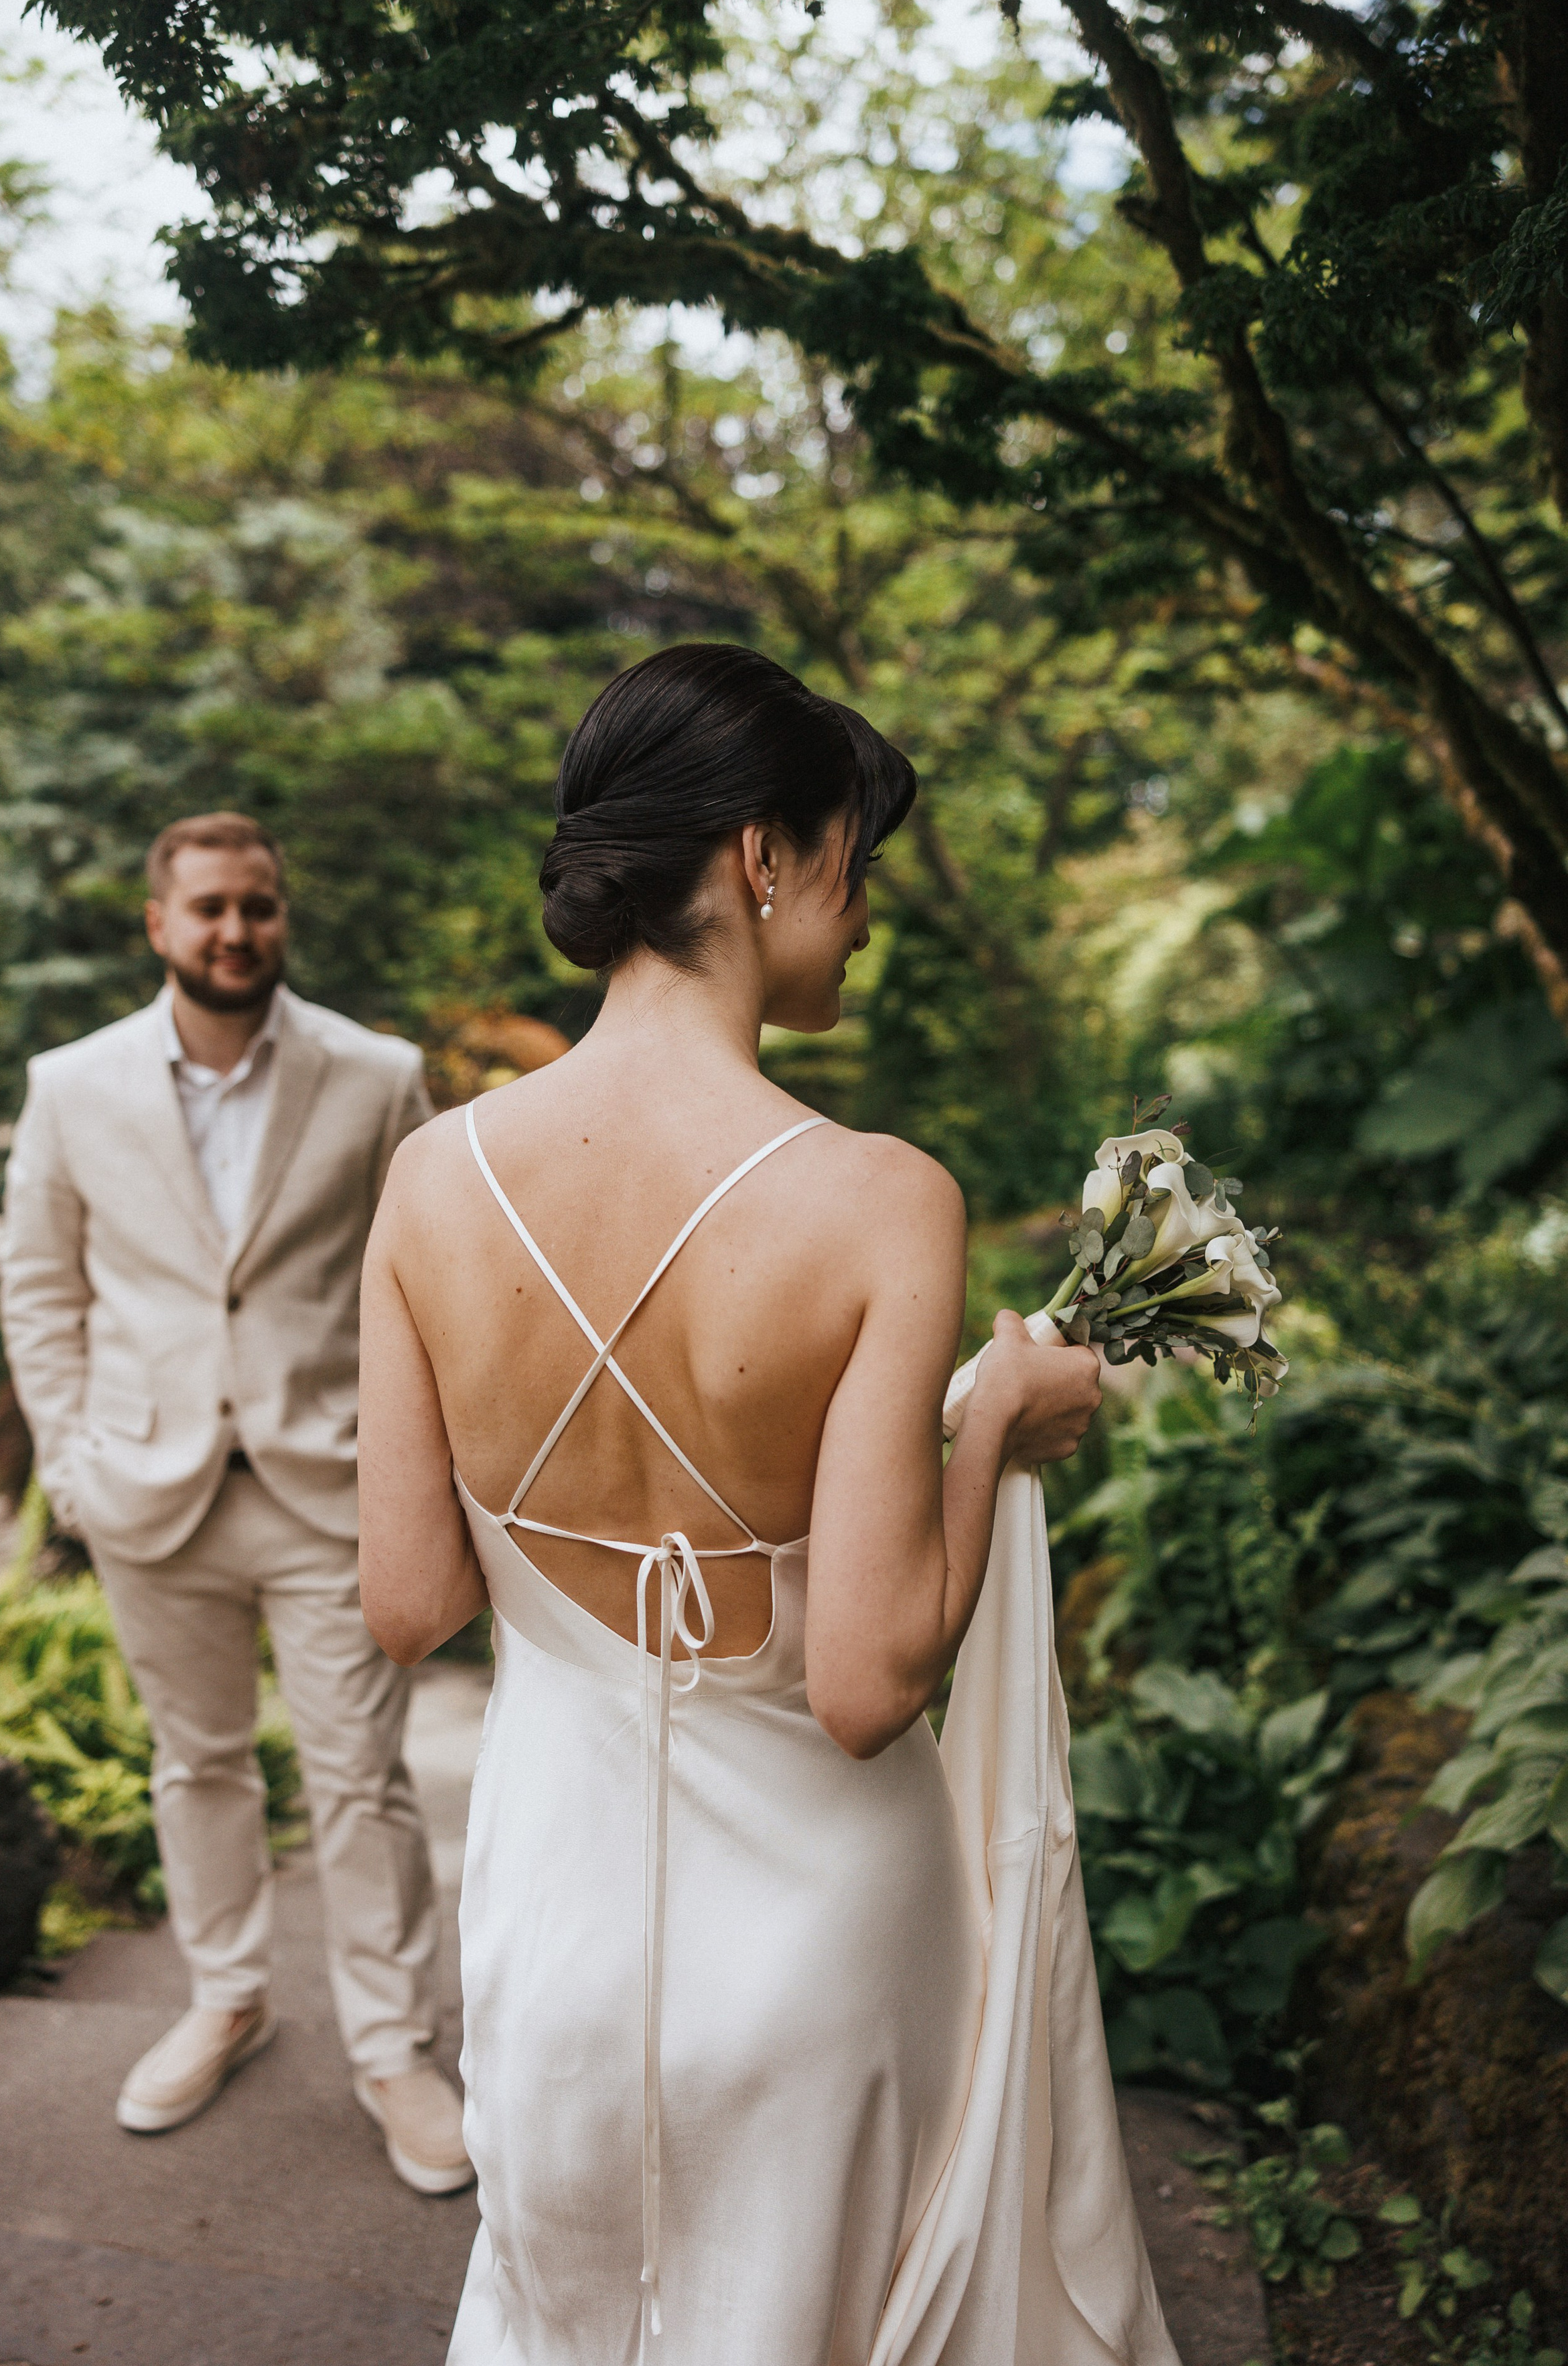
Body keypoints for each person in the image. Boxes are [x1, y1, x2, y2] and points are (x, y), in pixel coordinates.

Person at [359, 647, 1182, 2362]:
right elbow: (867, 1687)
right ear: (758, 857)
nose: (864, 909)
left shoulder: (431, 1177)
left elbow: (407, 1601)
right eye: (851, 860)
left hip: (550, 1918)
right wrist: (995, 1427)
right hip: (818, 1937)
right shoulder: (881, 1200)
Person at [0, 812, 471, 2196]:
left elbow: (430, 1271)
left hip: (329, 1485)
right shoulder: (71, 1085)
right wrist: (70, 1463)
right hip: (148, 1488)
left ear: (282, 915)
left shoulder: (377, 1075)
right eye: (206, 906)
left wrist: (418, 1467)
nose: (233, 931)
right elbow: (40, 1287)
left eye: (256, 906)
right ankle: (225, 1995)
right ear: (158, 922)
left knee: (360, 1779)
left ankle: (395, 2050)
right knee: (194, 1760)